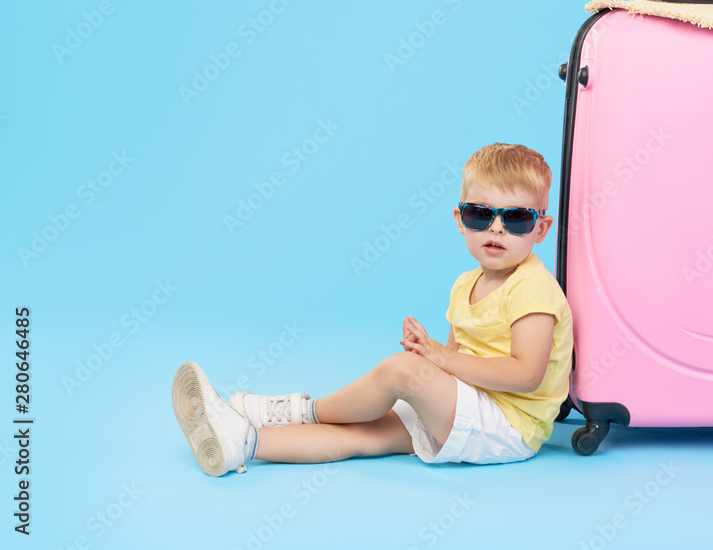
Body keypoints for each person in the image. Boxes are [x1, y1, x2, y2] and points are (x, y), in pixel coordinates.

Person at [171, 142, 573, 476]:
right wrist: (433, 358)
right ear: (460, 219)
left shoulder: (533, 288)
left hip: (508, 427)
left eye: (517, 218)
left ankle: (300, 410)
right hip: (469, 409)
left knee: (402, 372)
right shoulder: (464, 284)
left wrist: (437, 360)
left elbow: (526, 375)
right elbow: (457, 364)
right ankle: (242, 441)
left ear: (540, 229)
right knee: (362, 434)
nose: (497, 228)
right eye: (480, 214)